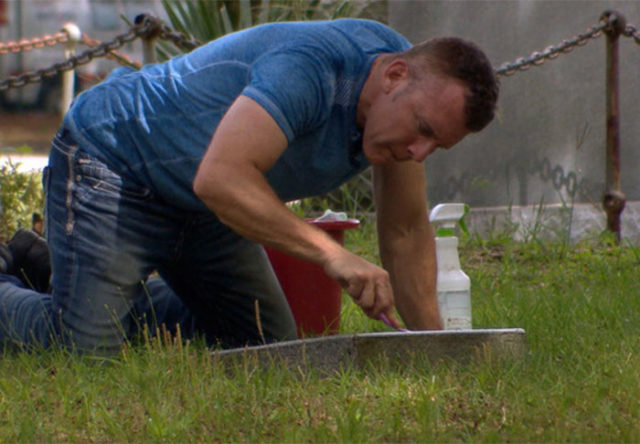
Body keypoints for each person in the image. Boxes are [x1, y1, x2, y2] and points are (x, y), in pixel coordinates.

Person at [0, 18, 498, 355]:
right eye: (424, 131)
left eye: (436, 147)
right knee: (86, 352)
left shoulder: (403, 107)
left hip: (202, 203)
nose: (419, 154)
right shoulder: (313, 69)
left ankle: (62, 271)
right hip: (115, 163)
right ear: (393, 75)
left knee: (264, 344)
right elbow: (222, 177)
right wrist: (332, 254)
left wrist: (434, 350)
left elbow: (407, 233)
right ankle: (69, 293)